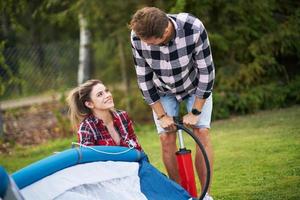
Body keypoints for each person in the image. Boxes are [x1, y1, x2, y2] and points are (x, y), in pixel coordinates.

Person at [129, 7, 215, 199]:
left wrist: (195, 111)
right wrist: (161, 115)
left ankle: (206, 194)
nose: (145, 44)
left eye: (150, 42)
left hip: (195, 86)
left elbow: (207, 73)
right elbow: (144, 79)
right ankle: (177, 195)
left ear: (166, 31)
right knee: (166, 138)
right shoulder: (137, 36)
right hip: (162, 91)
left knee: (201, 132)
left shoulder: (193, 27)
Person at [66, 79, 142, 151]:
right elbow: (88, 160)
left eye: (106, 91)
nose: (108, 95)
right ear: (89, 104)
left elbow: (137, 147)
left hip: (132, 163)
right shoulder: (86, 128)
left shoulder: (122, 116)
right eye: (100, 94)